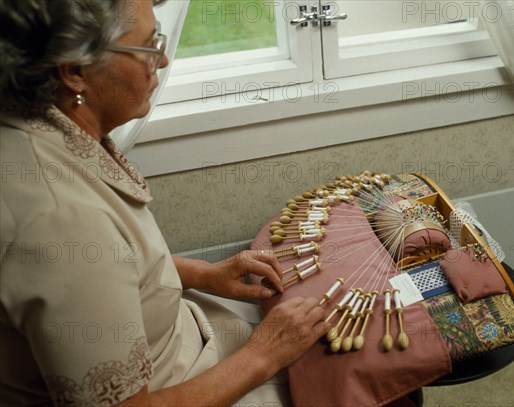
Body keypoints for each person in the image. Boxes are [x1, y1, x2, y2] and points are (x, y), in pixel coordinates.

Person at [0, 0, 330, 405]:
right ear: (73, 72)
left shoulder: (36, 126)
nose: (163, 59)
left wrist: (201, 273)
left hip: (184, 338)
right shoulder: (62, 218)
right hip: (174, 385)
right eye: (148, 45)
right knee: (347, 375)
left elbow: (105, 273)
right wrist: (264, 355)